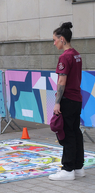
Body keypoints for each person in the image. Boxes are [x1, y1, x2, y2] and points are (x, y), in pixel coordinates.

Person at [48, 22, 84, 181]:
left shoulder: (65, 57)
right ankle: (78, 167)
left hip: (68, 99)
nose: (54, 43)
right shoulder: (76, 54)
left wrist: (57, 102)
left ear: (62, 39)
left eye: (55, 39)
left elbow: (62, 82)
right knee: (76, 132)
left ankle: (68, 169)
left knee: (68, 133)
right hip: (76, 99)